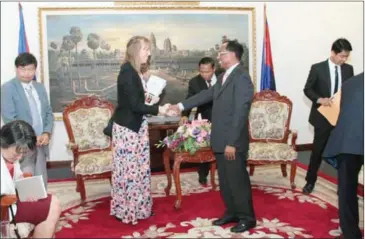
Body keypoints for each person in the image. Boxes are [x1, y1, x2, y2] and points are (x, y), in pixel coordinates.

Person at [168, 40, 256, 233]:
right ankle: (232, 212)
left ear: (232, 54)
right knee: (225, 180)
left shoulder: (241, 77)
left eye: (222, 53)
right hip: (220, 140)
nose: (219, 56)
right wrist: (181, 106)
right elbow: (205, 95)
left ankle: (247, 217)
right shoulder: (225, 76)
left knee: (237, 180)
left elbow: (241, 112)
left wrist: (232, 142)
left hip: (232, 142)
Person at [110, 36, 168, 225]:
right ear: (135, 50)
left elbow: (138, 102)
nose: (149, 53)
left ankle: (140, 208)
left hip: (135, 127)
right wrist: (158, 109)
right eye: (146, 49)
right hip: (128, 130)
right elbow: (135, 105)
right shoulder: (127, 72)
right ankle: (128, 209)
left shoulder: (133, 72)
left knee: (139, 169)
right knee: (129, 171)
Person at [303, 38, 354, 194]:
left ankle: (343, 186)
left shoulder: (348, 69)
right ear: (333, 52)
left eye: (346, 56)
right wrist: (320, 99)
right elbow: (308, 89)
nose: (344, 59)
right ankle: (310, 181)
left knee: (343, 153)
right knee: (318, 151)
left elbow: (350, 90)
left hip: (341, 117)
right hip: (322, 117)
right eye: (341, 56)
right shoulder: (318, 68)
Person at [1, 53, 54, 189]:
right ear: (16, 69)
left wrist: (47, 133)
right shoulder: (8, 88)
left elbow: (48, 113)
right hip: (23, 144)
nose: (27, 73)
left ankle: (42, 206)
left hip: (42, 141)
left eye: (30, 69)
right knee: (26, 179)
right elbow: (9, 117)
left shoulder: (40, 87)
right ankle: (26, 207)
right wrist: (30, 137)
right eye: (23, 69)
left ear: (35, 69)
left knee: (41, 178)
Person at [0, 120, 61, 238]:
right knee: (51, 208)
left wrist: (26, 188)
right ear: (5, 142)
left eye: (23, 152)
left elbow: (16, 178)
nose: (20, 156)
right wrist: (17, 197)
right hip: (4, 208)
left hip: (12, 202)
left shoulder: (10, 156)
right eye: (18, 151)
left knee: (54, 202)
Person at [322, 72, 364, 239]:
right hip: (353, 139)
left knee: (347, 190)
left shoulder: (350, 82)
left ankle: (351, 233)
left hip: (347, 142)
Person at [180, 57, 218, 185]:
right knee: (204, 149)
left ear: (214, 69)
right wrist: (185, 114)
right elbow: (190, 99)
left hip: (222, 119)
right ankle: (203, 174)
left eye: (207, 72)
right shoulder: (194, 82)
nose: (204, 74)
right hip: (204, 120)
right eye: (202, 71)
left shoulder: (223, 78)